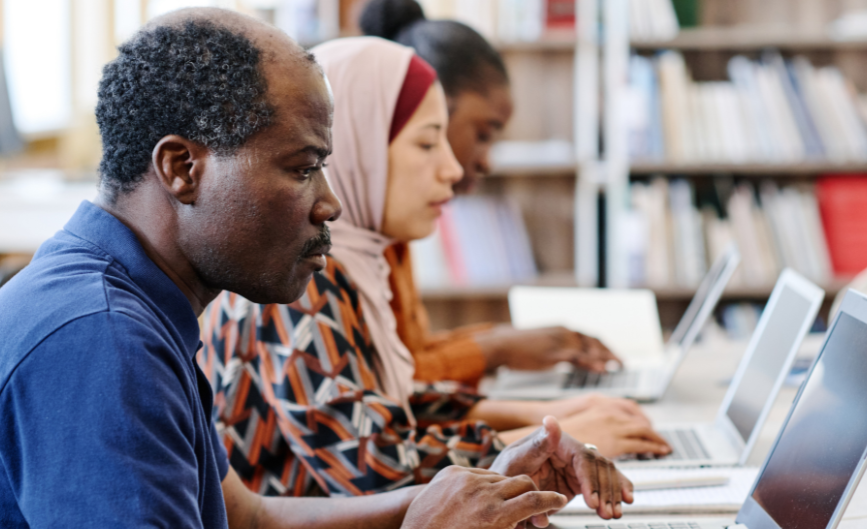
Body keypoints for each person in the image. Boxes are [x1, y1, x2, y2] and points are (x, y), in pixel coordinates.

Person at [0, 8, 631, 528]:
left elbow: (250, 518)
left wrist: (463, 493)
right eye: (300, 168)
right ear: (181, 167)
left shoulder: (140, 304)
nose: (329, 202)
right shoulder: (101, 341)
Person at [199, 35, 664, 503]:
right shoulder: (303, 273)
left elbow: (391, 405)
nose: (452, 168)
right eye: (427, 143)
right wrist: (544, 441)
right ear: (355, 146)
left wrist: (551, 414)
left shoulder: (355, 261)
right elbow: (373, 467)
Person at [359, 0, 671, 456]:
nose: (481, 161)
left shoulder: (385, 235)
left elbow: (402, 376)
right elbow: (374, 454)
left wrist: (537, 411)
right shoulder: (330, 255)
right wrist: (536, 426)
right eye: (482, 133)